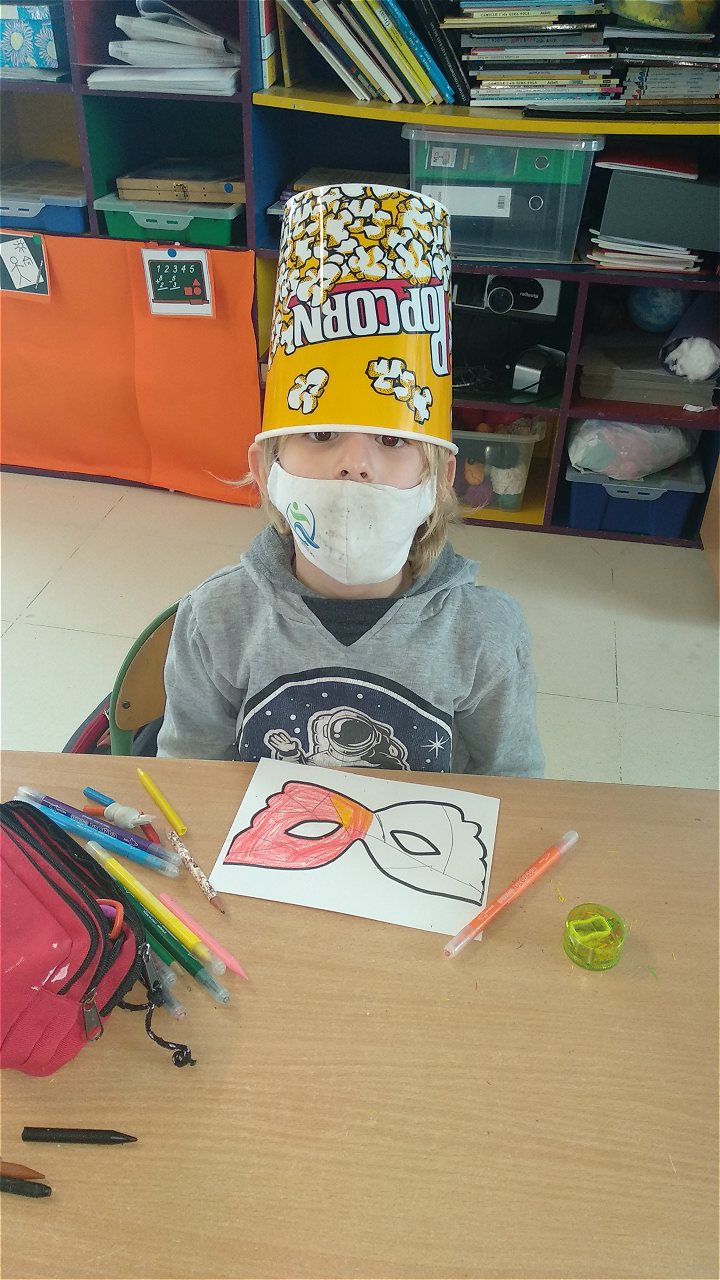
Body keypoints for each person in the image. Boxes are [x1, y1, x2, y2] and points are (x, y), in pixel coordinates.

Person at [157, 182, 543, 777]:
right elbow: (187, 775)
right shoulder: (217, 616)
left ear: (440, 480)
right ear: (263, 468)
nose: (354, 466)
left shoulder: (484, 634)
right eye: (320, 434)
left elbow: (514, 785)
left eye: (391, 441)